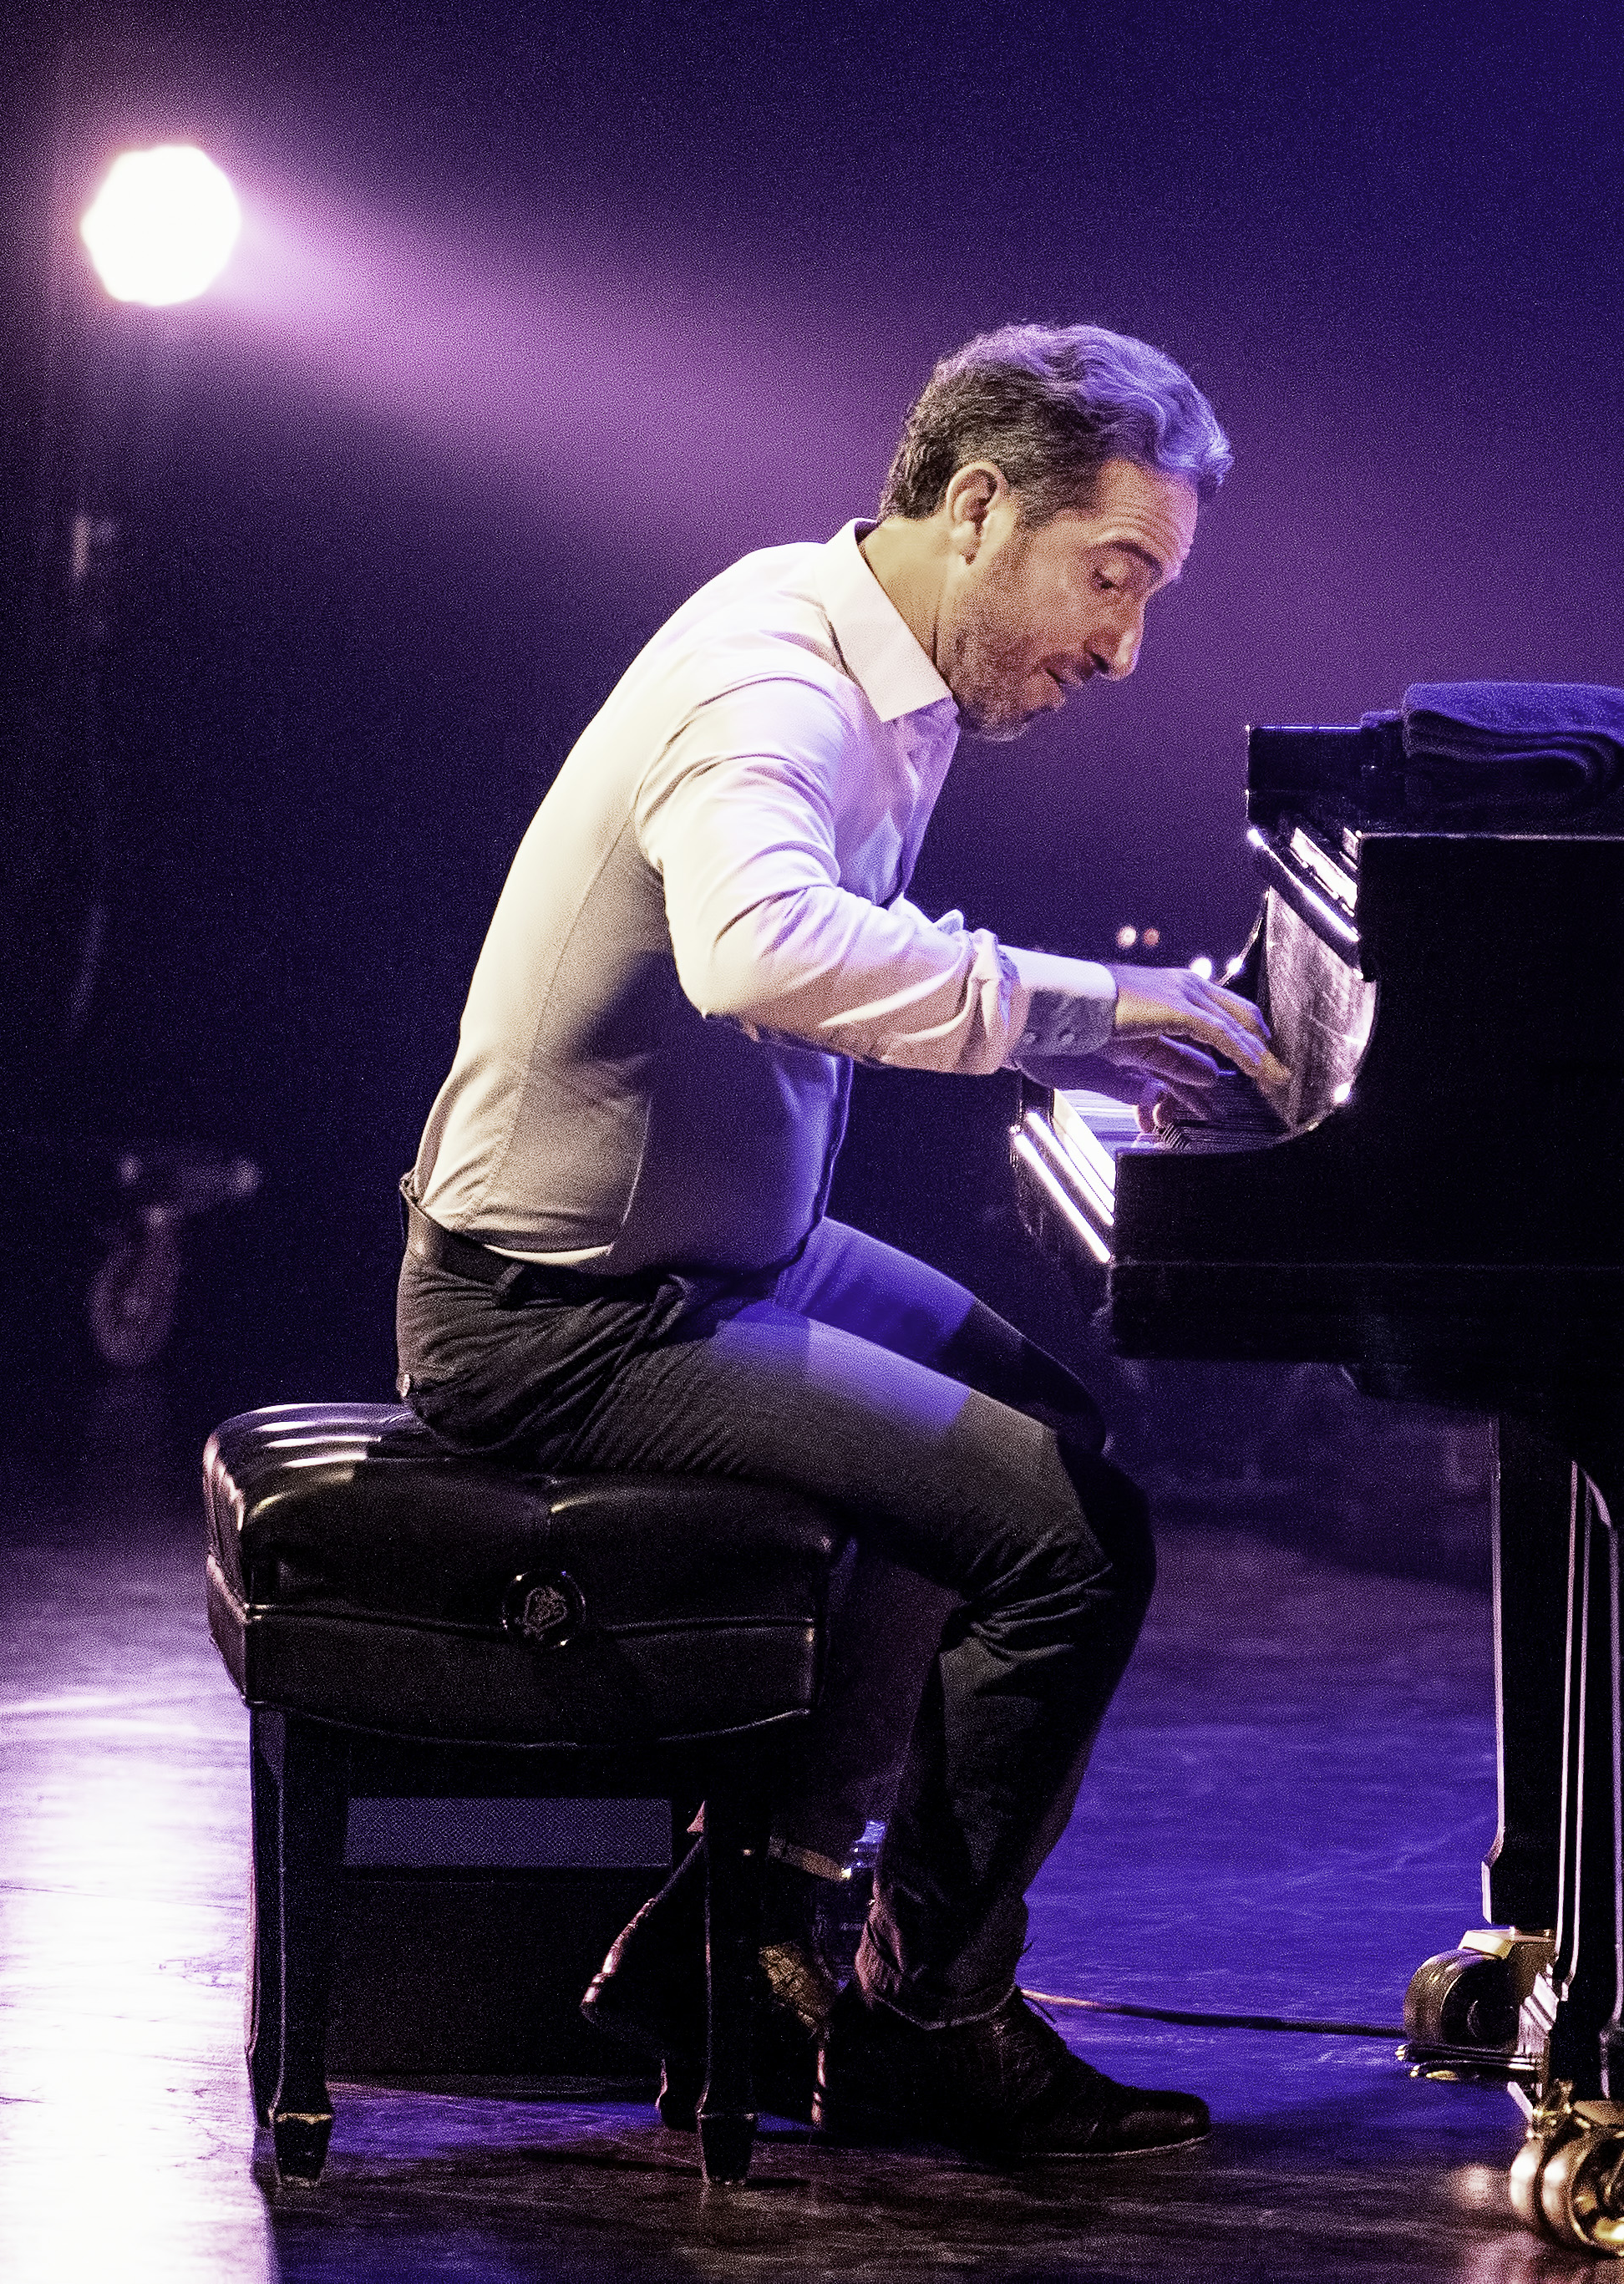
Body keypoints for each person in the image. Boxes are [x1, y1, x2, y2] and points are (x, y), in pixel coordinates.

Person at [394, 323, 1279, 2160]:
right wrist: (1086, 1010)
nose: (1124, 646)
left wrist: (1103, 1024)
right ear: (978, 508)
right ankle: (922, 2016)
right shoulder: (773, 678)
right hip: (557, 1314)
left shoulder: (862, 646)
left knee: (1052, 1428)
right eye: (1113, 577)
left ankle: (765, 1911)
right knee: (1071, 1540)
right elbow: (759, 950)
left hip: (715, 1260)